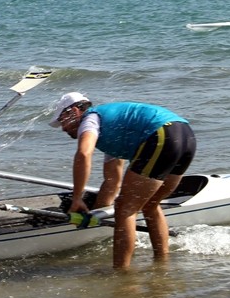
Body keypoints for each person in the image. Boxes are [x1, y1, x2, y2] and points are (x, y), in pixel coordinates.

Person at [49, 92, 196, 269]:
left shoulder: (90, 120)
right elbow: (112, 181)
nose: (63, 128)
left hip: (161, 134)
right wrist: (95, 212)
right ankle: (162, 264)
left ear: (73, 111)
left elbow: (83, 154)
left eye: (62, 121)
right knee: (150, 204)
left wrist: (77, 198)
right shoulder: (113, 128)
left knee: (125, 209)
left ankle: (121, 273)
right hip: (186, 135)